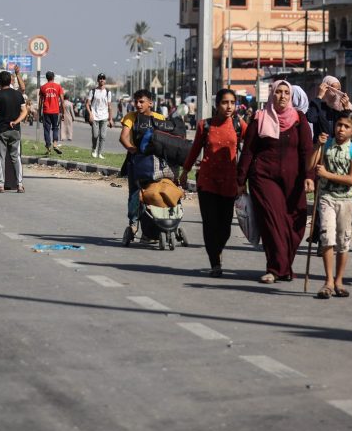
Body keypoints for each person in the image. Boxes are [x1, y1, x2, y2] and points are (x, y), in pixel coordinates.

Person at [236, 80, 314, 283]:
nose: (282, 96)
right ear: (272, 95)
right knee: (273, 222)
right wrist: (240, 180)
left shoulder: (299, 119)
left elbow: (307, 151)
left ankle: (284, 266)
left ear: (291, 96)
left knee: (294, 225)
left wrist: (310, 176)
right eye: (278, 92)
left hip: (293, 180)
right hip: (264, 177)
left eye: (286, 92)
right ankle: (275, 268)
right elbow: (248, 150)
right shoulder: (260, 118)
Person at [180, 88, 246, 277]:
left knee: (224, 228)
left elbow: (251, 147)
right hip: (207, 182)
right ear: (217, 105)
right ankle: (215, 262)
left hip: (229, 182)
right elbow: (194, 150)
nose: (229, 106)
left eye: (232, 103)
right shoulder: (205, 125)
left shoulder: (239, 125)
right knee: (210, 224)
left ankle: (217, 251)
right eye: (225, 102)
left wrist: (245, 177)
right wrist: (185, 171)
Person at [308, 111, 352, 299]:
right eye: (339, 125)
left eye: (346, 126)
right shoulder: (327, 144)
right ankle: (328, 281)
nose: (341, 129)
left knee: (343, 240)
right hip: (326, 198)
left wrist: (327, 175)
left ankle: (339, 280)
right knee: (327, 237)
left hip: (346, 200)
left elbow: (351, 179)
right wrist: (317, 146)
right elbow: (311, 165)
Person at [119, 89, 165, 233]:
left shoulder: (159, 118)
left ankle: (154, 226)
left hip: (155, 163)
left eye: (141, 102)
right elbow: (123, 137)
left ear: (150, 103)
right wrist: (132, 149)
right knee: (134, 192)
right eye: (136, 102)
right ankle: (133, 223)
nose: (138, 105)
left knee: (154, 192)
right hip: (136, 162)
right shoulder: (130, 117)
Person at [0, 70, 27, 193]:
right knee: (16, 157)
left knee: (0, 158)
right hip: (15, 131)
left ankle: (0, 184)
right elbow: (24, 112)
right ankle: (20, 184)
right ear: (10, 81)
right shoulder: (18, 95)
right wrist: (16, 122)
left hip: (1, 131)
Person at [307, 75, 352, 140]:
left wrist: (346, 108)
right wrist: (319, 96)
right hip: (321, 146)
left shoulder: (341, 107)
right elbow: (311, 118)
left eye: (338, 90)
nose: (336, 92)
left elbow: (351, 125)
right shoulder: (319, 105)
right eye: (333, 89)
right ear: (325, 89)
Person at [85, 73, 113, 158]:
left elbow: (110, 106)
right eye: (100, 78)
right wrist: (90, 114)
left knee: (103, 136)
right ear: (98, 80)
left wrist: (110, 119)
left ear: (105, 80)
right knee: (95, 135)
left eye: (103, 78)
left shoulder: (108, 92)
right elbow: (87, 104)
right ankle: (94, 149)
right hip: (94, 116)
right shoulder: (93, 91)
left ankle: (100, 153)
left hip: (104, 116)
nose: (102, 80)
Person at [39, 71, 64, 154]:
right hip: (55, 111)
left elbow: (40, 102)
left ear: (47, 78)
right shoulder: (58, 87)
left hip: (46, 111)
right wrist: (63, 112)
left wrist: (39, 113)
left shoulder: (43, 87)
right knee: (55, 128)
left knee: (46, 129)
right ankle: (55, 144)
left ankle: (48, 146)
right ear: (53, 77)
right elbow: (62, 100)